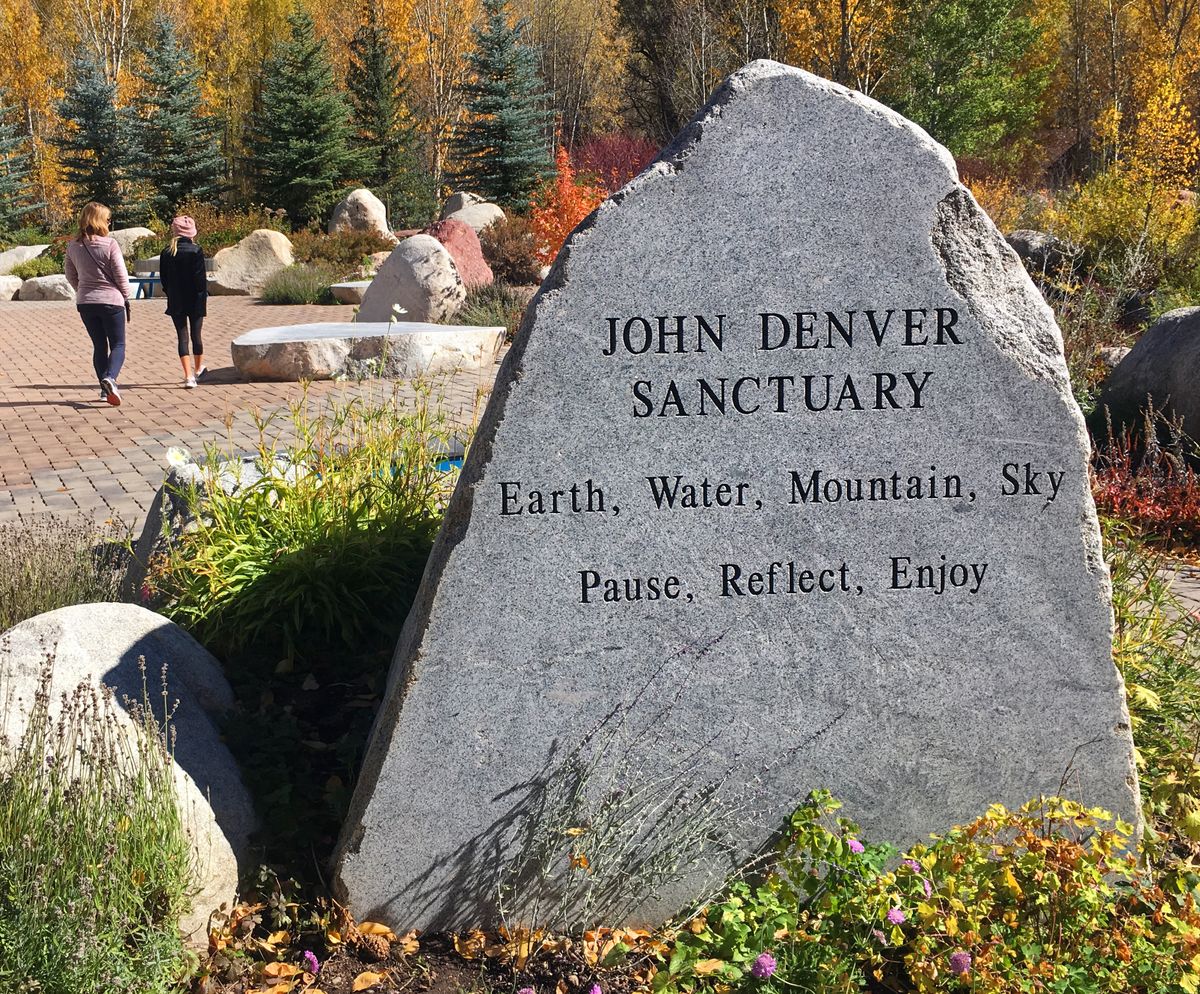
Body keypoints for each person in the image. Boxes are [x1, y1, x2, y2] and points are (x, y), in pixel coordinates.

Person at [64, 201, 131, 406]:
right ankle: (110, 378)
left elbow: (70, 275)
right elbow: (120, 274)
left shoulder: (73, 245)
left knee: (99, 346)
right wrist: (126, 296)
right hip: (111, 301)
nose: (109, 223)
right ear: (101, 221)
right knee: (118, 344)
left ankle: (104, 391)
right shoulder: (109, 244)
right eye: (108, 219)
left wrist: (82, 290)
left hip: (86, 302)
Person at [158, 215, 207, 388]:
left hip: (176, 298)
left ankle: (188, 376)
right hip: (195, 299)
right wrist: (203, 296)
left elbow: (164, 278)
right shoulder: (196, 250)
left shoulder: (167, 252)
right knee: (196, 335)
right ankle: (199, 369)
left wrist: (169, 293)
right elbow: (200, 279)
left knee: (182, 337)